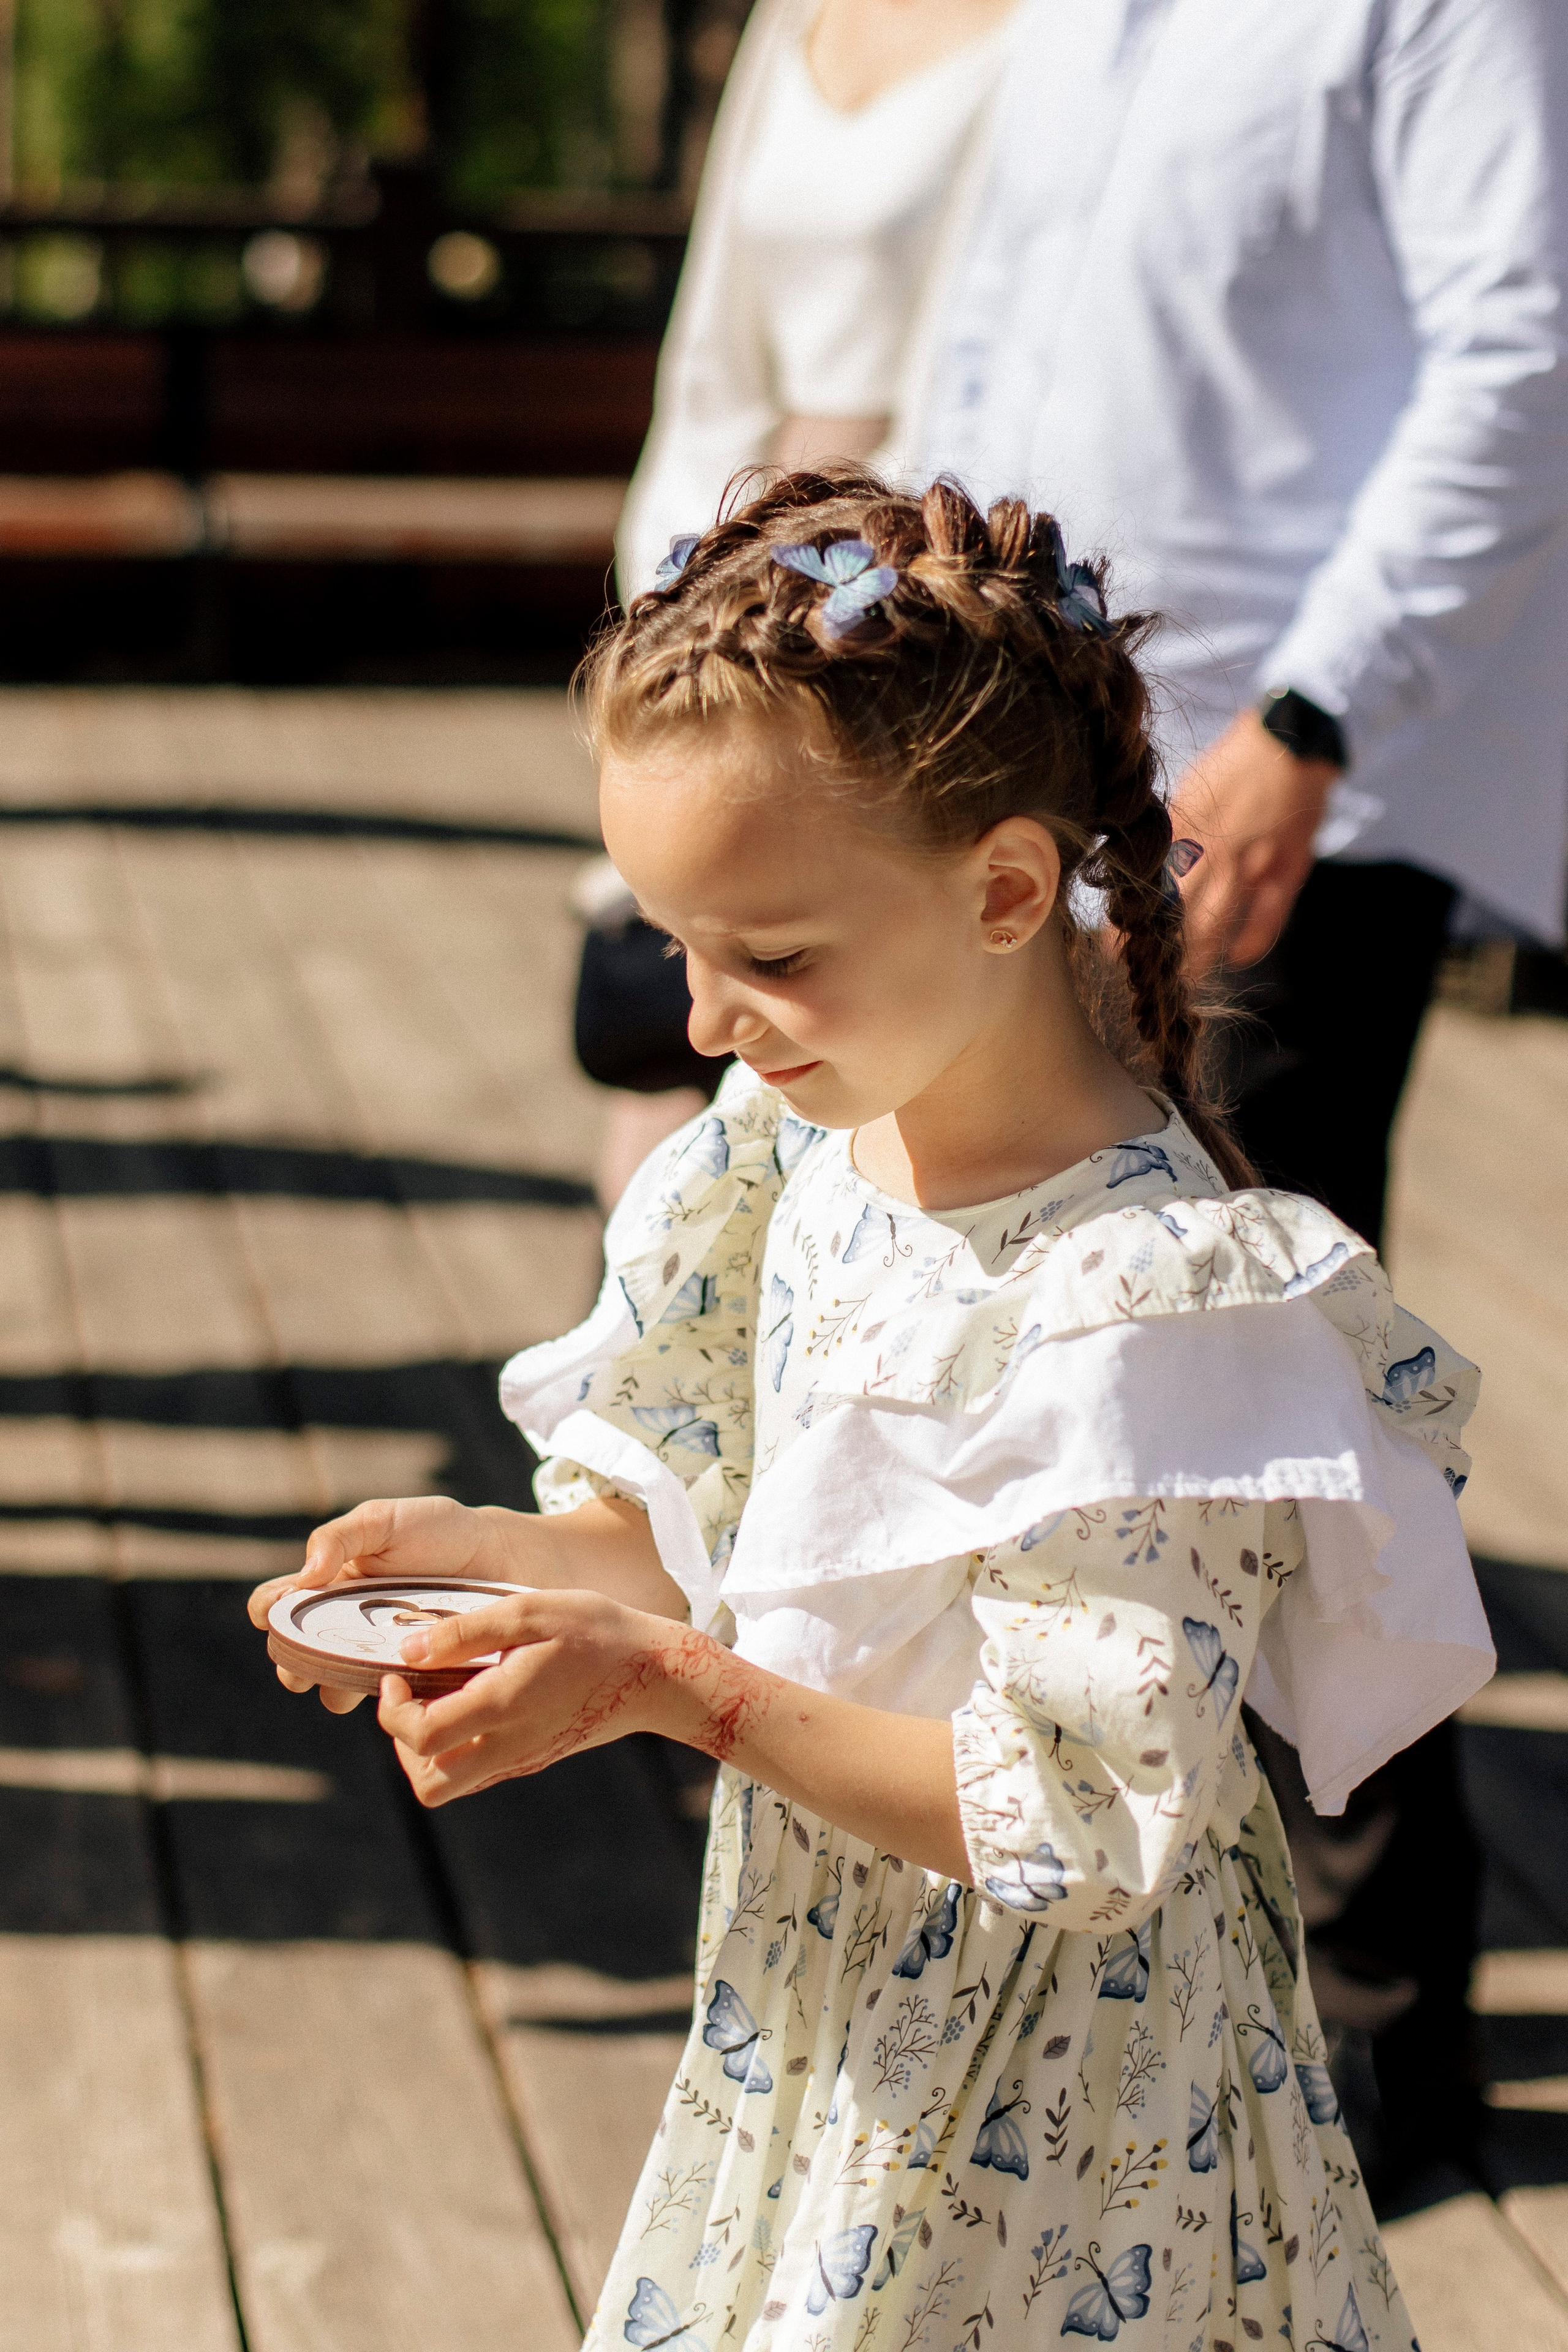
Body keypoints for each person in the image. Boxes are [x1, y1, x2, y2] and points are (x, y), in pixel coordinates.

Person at [251, 472, 1493, 2348]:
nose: (704, 1020)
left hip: (1071, 2128)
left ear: (1006, 886)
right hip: (819, 2051)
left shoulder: (1148, 1311)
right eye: (678, 946)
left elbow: (1065, 1822)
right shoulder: (800, 1150)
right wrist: (517, 1573)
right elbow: (724, 1529)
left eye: (771, 954)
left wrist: (666, 1687)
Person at [897, 0, 1568, 2198]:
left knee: (1265, 1402)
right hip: (1039, 772)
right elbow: (987, 350)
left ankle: (1385, 2044)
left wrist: (1312, 707)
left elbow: (1526, 343)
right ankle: (1166, 1993)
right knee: (1042, 1374)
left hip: (1290, 799)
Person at [579, 0, 1019, 1205]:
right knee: (670, 1064)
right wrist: (679, 618)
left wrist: (874, 609)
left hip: (897, 617)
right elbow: (710, 355)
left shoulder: (1057, 37)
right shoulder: (795, 22)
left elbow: (991, 352)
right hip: (732, 584)